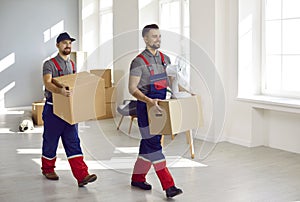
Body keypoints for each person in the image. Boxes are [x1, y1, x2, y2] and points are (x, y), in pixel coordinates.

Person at [128, 24, 183, 198]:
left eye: (159, 36)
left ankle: (137, 178)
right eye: (154, 36)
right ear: (145, 39)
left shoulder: (165, 59)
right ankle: (169, 185)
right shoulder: (138, 61)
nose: (157, 39)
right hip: (146, 107)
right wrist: (148, 101)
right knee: (153, 145)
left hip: (161, 106)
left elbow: (171, 81)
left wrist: (185, 92)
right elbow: (132, 88)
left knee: (148, 144)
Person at [41, 32, 97, 187]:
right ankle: (47, 169)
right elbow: (47, 83)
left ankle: (82, 176)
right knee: (51, 141)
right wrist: (59, 91)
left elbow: (74, 84)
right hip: (53, 110)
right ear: (58, 45)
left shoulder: (72, 64)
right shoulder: (49, 64)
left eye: (70, 43)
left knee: (73, 141)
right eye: (64, 43)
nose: (68, 45)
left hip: (70, 110)